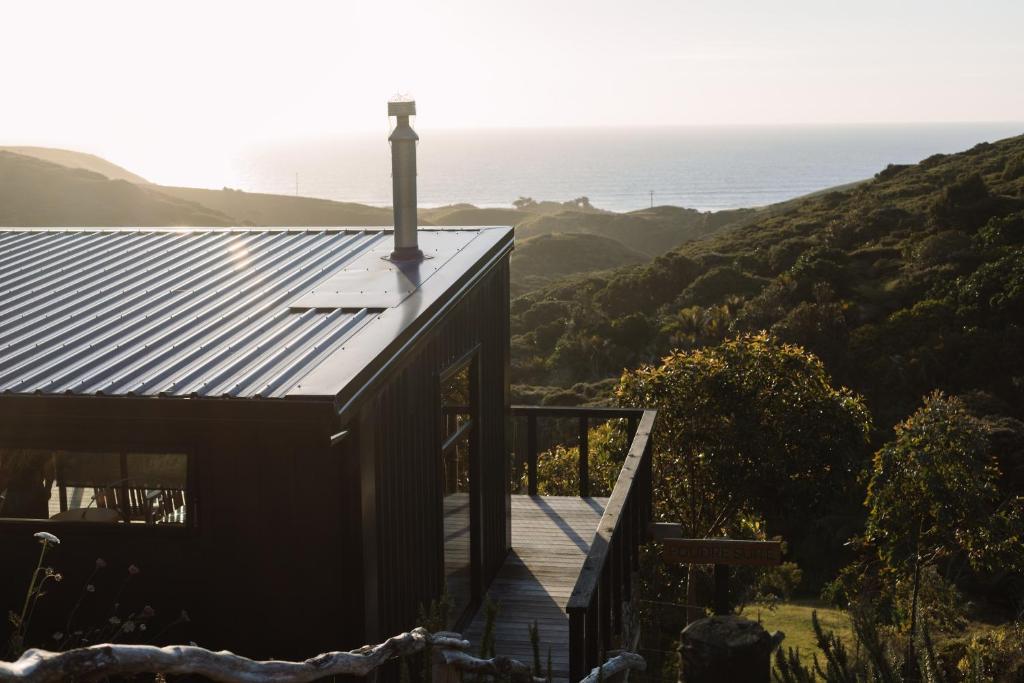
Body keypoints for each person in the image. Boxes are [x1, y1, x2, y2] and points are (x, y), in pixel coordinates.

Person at [0, 450, 55, 519]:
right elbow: (49, 471)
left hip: (15, 494)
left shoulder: (10, 448)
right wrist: (47, 490)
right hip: (33, 493)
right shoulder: (41, 448)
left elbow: (4, 472)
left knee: (11, 522)